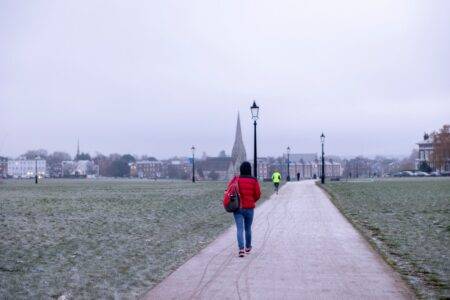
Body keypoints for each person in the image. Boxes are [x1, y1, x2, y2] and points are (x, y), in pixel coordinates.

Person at [227, 161, 261, 257]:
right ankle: (248, 247)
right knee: (248, 228)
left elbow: (229, 190)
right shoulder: (254, 180)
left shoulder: (236, 179)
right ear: (250, 169)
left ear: (241, 169)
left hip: (238, 208)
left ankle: (241, 249)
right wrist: (252, 200)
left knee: (239, 229)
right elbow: (258, 194)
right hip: (249, 208)